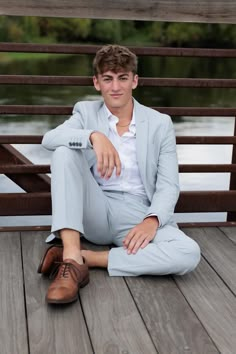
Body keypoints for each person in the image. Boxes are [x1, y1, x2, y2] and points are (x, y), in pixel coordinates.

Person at [38, 44, 201, 304]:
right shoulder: (86, 112)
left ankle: (89, 259)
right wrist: (94, 136)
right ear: (96, 83)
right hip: (96, 209)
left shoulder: (160, 123)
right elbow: (49, 138)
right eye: (108, 79)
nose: (115, 87)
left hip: (138, 214)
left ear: (134, 81)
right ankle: (70, 259)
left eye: (123, 78)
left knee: (188, 253)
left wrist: (152, 221)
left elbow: (169, 185)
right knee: (63, 152)